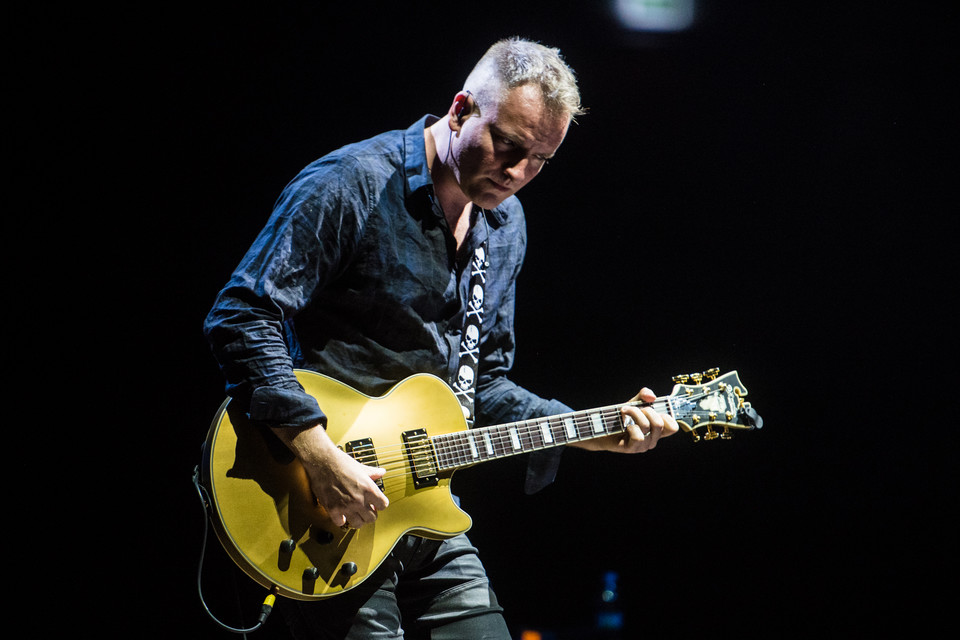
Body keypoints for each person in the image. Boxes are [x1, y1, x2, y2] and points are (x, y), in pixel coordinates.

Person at [204, 37, 679, 640]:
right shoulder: (354, 182)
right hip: (319, 501)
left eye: (539, 160)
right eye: (507, 143)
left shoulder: (505, 225)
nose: (516, 172)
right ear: (460, 110)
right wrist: (318, 454)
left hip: (423, 509)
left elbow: (481, 385)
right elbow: (241, 313)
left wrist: (591, 429)